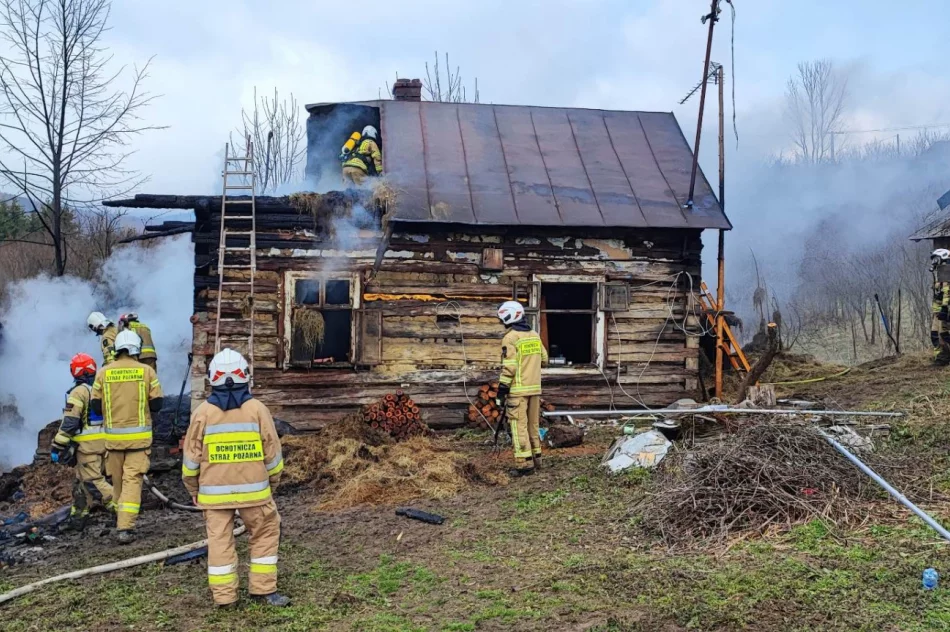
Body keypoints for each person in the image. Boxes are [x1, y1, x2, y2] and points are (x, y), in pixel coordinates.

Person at [182, 348, 288, 608]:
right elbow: (273, 455)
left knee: (219, 542)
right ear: (245, 375)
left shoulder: (202, 414)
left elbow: (190, 460)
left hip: (213, 495)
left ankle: (225, 598)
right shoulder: (258, 410)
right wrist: (271, 485)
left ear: (212, 378)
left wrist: (193, 490)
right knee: (264, 534)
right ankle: (263, 592)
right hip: (256, 494)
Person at [90, 330, 163, 543]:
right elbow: (158, 404)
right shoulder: (146, 371)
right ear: (135, 349)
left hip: (112, 441)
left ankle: (119, 517)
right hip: (139, 442)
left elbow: (95, 405)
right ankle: (125, 528)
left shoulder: (103, 372)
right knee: (132, 481)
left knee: (118, 482)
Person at [51, 353, 114, 530]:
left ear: (74, 371)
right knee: (81, 483)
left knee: (93, 481)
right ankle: (78, 518)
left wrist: (57, 445)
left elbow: (70, 422)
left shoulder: (79, 392)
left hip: (87, 446)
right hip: (105, 442)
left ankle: (121, 509)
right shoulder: (101, 387)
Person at [495, 301, 548, 476]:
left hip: (518, 391)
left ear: (507, 316)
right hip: (534, 389)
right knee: (533, 426)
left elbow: (509, 367)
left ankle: (524, 465)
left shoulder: (510, 338)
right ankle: (537, 459)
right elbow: (544, 359)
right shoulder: (534, 335)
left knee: (519, 428)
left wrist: (502, 390)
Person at [932, 249, 950, 366]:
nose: (934, 262)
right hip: (937, 310)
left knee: (944, 334)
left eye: (936, 259)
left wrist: (944, 309)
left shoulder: (947, 273)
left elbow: (947, 291)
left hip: (944, 310)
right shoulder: (939, 273)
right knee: (934, 334)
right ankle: (939, 356)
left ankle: (944, 357)